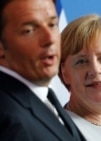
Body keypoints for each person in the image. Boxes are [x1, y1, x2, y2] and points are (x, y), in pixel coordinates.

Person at [0, 0, 86, 140]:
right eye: (29, 30)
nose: (50, 38)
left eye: (52, 25)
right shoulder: (6, 116)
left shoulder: (46, 98)